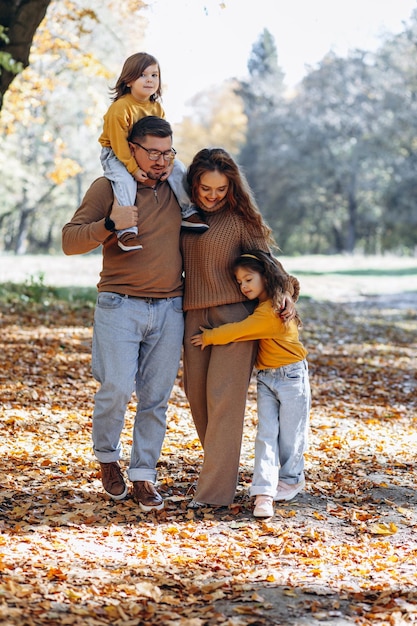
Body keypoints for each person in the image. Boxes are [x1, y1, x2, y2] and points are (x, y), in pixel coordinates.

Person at [62, 116, 184, 512]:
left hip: (169, 308)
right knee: (115, 387)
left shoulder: (178, 189)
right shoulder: (109, 187)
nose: (161, 161)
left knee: (156, 399)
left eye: (168, 153)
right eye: (152, 152)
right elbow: (69, 240)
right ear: (131, 149)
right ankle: (108, 459)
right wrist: (110, 224)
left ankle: (144, 475)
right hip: (120, 304)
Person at [181, 147, 300, 508]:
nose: (213, 196)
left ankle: (214, 493)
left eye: (220, 189)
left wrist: (287, 292)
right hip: (193, 317)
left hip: (237, 318)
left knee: (223, 403)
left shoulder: (240, 220)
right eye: (206, 189)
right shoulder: (184, 214)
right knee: (197, 399)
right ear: (194, 185)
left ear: (231, 186)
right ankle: (220, 472)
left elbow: (270, 266)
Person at [191, 250, 310, 518]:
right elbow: (287, 282)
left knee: (291, 435)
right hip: (267, 378)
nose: (243, 286)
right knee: (266, 435)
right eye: (239, 282)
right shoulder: (273, 300)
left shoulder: (270, 312)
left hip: (292, 378)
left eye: (248, 279)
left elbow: (237, 330)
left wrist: (208, 336)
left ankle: (291, 479)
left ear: (265, 277)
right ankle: (264, 491)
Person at [98, 52, 207, 251]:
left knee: (179, 169)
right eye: (142, 75)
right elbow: (119, 143)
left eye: (154, 75)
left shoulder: (157, 108)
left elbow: (164, 139)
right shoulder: (120, 109)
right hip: (117, 153)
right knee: (124, 182)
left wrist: (169, 162)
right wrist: (132, 168)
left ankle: (188, 211)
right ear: (128, 80)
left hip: (151, 152)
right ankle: (127, 231)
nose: (149, 79)